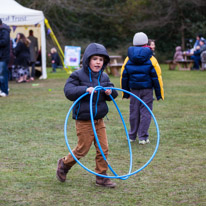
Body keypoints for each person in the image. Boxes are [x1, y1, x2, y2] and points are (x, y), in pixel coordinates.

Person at [56, 43, 118, 188]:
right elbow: (69, 91)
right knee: (82, 149)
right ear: (87, 60)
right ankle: (64, 164)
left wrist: (110, 92)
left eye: (101, 60)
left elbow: (113, 93)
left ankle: (102, 177)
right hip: (84, 120)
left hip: (99, 120)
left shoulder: (104, 76)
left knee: (104, 149)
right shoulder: (77, 75)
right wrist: (85, 89)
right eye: (95, 59)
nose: (98, 62)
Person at [120, 32, 164, 145]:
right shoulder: (151, 58)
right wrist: (159, 94)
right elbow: (157, 77)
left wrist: (125, 92)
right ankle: (143, 137)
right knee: (145, 112)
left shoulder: (128, 58)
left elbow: (124, 76)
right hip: (147, 90)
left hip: (134, 90)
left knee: (134, 111)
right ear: (146, 43)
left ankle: (132, 136)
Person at [0, 19, 10, 97]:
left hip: (3, 56)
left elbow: (4, 42)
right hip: (1, 56)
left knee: (2, 74)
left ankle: (4, 91)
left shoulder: (4, 31)